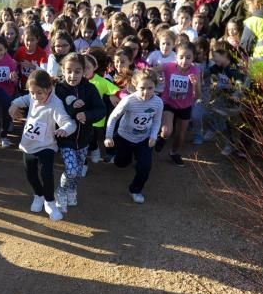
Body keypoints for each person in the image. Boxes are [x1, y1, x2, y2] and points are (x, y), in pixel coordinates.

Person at [8, 70, 76, 221]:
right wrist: (13, 105)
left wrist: (64, 129)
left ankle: (50, 203)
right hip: (28, 144)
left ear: (49, 88)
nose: (35, 97)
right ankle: (38, 195)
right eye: (32, 92)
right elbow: (23, 100)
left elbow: (69, 123)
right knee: (30, 174)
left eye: (39, 93)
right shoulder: (32, 97)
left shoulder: (55, 104)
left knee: (46, 174)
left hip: (47, 145)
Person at [104, 69, 164, 204]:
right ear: (135, 86)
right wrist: (109, 136)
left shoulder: (158, 102)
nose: (146, 92)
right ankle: (118, 157)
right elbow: (113, 117)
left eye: (150, 88)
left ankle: (135, 190)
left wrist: (154, 135)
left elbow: (156, 120)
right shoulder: (128, 101)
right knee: (121, 163)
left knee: (145, 167)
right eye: (142, 88)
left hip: (144, 139)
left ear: (155, 87)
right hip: (124, 137)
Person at [53, 53, 106, 207]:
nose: (73, 75)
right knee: (71, 170)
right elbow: (55, 111)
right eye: (69, 70)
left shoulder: (90, 89)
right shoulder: (59, 89)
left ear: (84, 71)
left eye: (77, 71)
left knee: (77, 172)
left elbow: (100, 110)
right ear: (62, 70)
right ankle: (61, 191)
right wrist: (72, 109)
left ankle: (72, 189)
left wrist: (87, 115)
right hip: (66, 139)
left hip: (84, 139)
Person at [155, 40, 201, 166]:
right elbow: (152, 70)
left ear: (193, 58)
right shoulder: (169, 66)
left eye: (188, 57)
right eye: (181, 57)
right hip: (169, 103)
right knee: (167, 131)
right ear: (176, 57)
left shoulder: (195, 71)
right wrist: (156, 77)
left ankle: (174, 153)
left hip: (185, 106)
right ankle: (162, 138)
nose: (184, 61)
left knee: (180, 135)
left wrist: (195, 85)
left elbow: (198, 96)